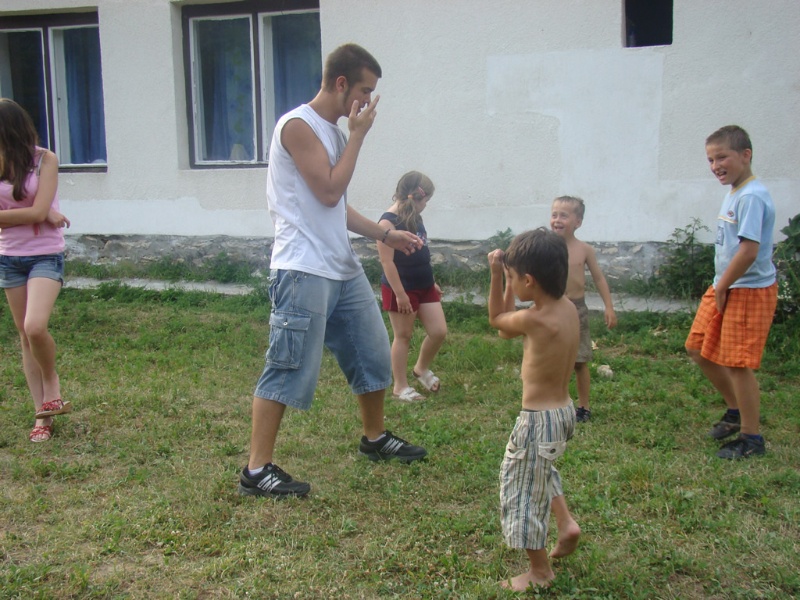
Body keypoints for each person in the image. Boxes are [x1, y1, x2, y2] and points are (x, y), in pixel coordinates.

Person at [238, 44, 428, 499]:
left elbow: (337, 206)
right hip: (302, 269)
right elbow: (327, 190)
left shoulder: (334, 134)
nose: (367, 102)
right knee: (287, 365)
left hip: (340, 267)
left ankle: (374, 437)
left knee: (373, 352)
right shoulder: (298, 126)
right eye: (364, 91)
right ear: (341, 83)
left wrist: (385, 234)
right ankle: (256, 470)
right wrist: (358, 137)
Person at [487, 228, 582, 591]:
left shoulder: (534, 319)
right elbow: (506, 329)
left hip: (538, 421)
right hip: (563, 414)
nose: (511, 283)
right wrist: (508, 276)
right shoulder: (566, 308)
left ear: (528, 280)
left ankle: (540, 572)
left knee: (521, 487)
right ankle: (566, 523)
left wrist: (495, 276)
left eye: (513, 278)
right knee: (541, 470)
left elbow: (497, 320)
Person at [685, 125, 778, 459]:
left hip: (747, 290)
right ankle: (735, 409)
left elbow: (749, 251)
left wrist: (722, 285)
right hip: (724, 284)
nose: (715, 166)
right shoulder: (736, 191)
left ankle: (751, 439)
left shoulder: (751, 196)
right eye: (711, 160)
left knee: (737, 363)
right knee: (697, 347)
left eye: (721, 157)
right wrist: (720, 284)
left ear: (745, 155)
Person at [0, 98, 72, 443]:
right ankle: (42, 415)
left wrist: (41, 213)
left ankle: (51, 381)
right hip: (9, 256)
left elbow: (39, 210)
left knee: (35, 326)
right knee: (25, 336)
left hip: (44, 254)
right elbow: (36, 211)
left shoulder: (45, 160)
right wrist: (38, 212)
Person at [377, 171, 447, 402]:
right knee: (403, 336)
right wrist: (400, 295)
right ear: (418, 197)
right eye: (427, 200)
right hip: (401, 288)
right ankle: (400, 386)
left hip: (424, 284)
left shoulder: (415, 216)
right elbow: (387, 262)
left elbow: (420, 250)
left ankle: (421, 369)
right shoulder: (386, 223)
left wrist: (431, 282)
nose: (426, 205)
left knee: (438, 331)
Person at [550, 196, 617, 422]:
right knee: (552, 359)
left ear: (578, 222)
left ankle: (584, 407)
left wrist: (609, 306)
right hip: (551, 309)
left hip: (577, 310)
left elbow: (598, 278)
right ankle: (554, 402)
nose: (557, 220)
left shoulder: (584, 249)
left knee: (580, 361)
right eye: (554, 215)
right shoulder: (546, 247)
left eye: (564, 215)